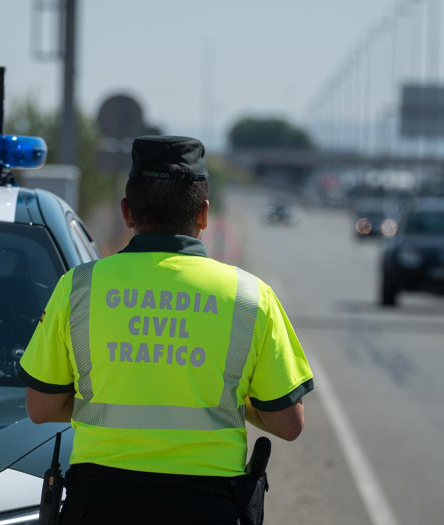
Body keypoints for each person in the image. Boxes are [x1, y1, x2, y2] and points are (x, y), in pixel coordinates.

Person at [18, 135, 314, 524]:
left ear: (127, 211)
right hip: (209, 507)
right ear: (204, 214)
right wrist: (230, 401)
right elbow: (288, 423)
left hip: (99, 503)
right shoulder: (250, 296)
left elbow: (40, 407)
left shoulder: (78, 287)